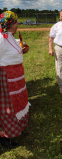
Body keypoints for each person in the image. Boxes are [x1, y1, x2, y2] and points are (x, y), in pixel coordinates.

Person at [0, 11, 30, 148]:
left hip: (16, 78)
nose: (18, 24)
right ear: (10, 23)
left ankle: (16, 129)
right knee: (7, 108)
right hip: (6, 79)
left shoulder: (10, 36)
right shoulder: (1, 38)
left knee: (17, 103)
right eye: (16, 22)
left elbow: (12, 52)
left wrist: (22, 51)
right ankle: (4, 137)